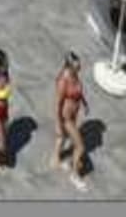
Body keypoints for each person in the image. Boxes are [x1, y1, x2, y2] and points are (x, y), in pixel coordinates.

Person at [50, 52, 89, 187]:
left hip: (73, 115)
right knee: (80, 146)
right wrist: (58, 123)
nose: (80, 67)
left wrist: (84, 104)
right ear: (69, 66)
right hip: (66, 118)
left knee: (63, 137)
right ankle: (75, 175)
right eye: (77, 66)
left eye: (79, 65)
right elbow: (58, 104)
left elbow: (78, 91)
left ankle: (55, 160)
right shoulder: (63, 80)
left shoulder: (74, 75)